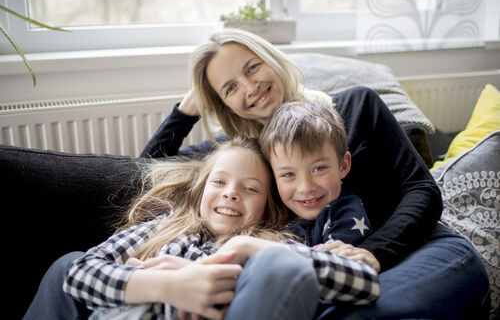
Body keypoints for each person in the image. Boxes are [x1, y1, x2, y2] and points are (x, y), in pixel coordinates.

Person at [139, 28, 490, 319]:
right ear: (222, 103)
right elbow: (143, 169)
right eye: (229, 87)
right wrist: (188, 108)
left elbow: (422, 190)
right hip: (326, 275)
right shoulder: (245, 155)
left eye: (252, 68)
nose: (249, 88)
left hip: (421, 249)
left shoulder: (357, 106)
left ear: (273, 61)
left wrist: (374, 252)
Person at [61, 136, 380, 320]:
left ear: (268, 206)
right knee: (62, 264)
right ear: (201, 189)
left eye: (251, 189)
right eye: (219, 182)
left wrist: (245, 248)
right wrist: (168, 285)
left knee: (280, 262)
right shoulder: (166, 229)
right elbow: (77, 273)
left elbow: (364, 281)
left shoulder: (272, 243)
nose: (231, 193)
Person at [259, 99, 372, 248]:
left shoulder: (347, 214)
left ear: (343, 166)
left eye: (319, 169)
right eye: (288, 174)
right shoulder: (274, 214)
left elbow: (330, 261)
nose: (306, 187)